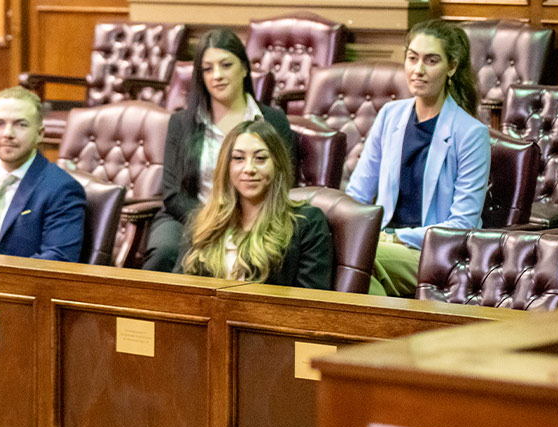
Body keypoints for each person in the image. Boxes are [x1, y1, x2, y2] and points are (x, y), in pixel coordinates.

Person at [345, 19, 489, 297]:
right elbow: (357, 194)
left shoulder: (471, 133)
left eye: (431, 60)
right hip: (382, 242)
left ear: (452, 67)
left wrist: (397, 236)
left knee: (359, 260)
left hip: (436, 254)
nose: (418, 70)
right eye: (412, 58)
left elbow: (462, 224)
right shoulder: (390, 115)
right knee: (343, 256)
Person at [143, 28, 297, 272]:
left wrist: (240, 221)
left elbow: (286, 181)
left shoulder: (273, 121)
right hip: (189, 215)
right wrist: (212, 221)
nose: (217, 75)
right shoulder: (182, 123)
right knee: (166, 252)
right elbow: (173, 194)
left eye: (226, 65)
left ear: (244, 68)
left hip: (255, 218)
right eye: (208, 69)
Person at [176, 120, 333, 289]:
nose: (249, 168)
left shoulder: (307, 223)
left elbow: (311, 304)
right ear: (226, 167)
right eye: (238, 158)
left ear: (277, 165)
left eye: (260, 158)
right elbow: (180, 291)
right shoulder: (205, 221)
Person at [0, 86, 86, 262]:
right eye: (0, 123)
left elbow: (59, 260)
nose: (8, 134)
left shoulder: (62, 190)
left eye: (21, 124)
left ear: (40, 133)